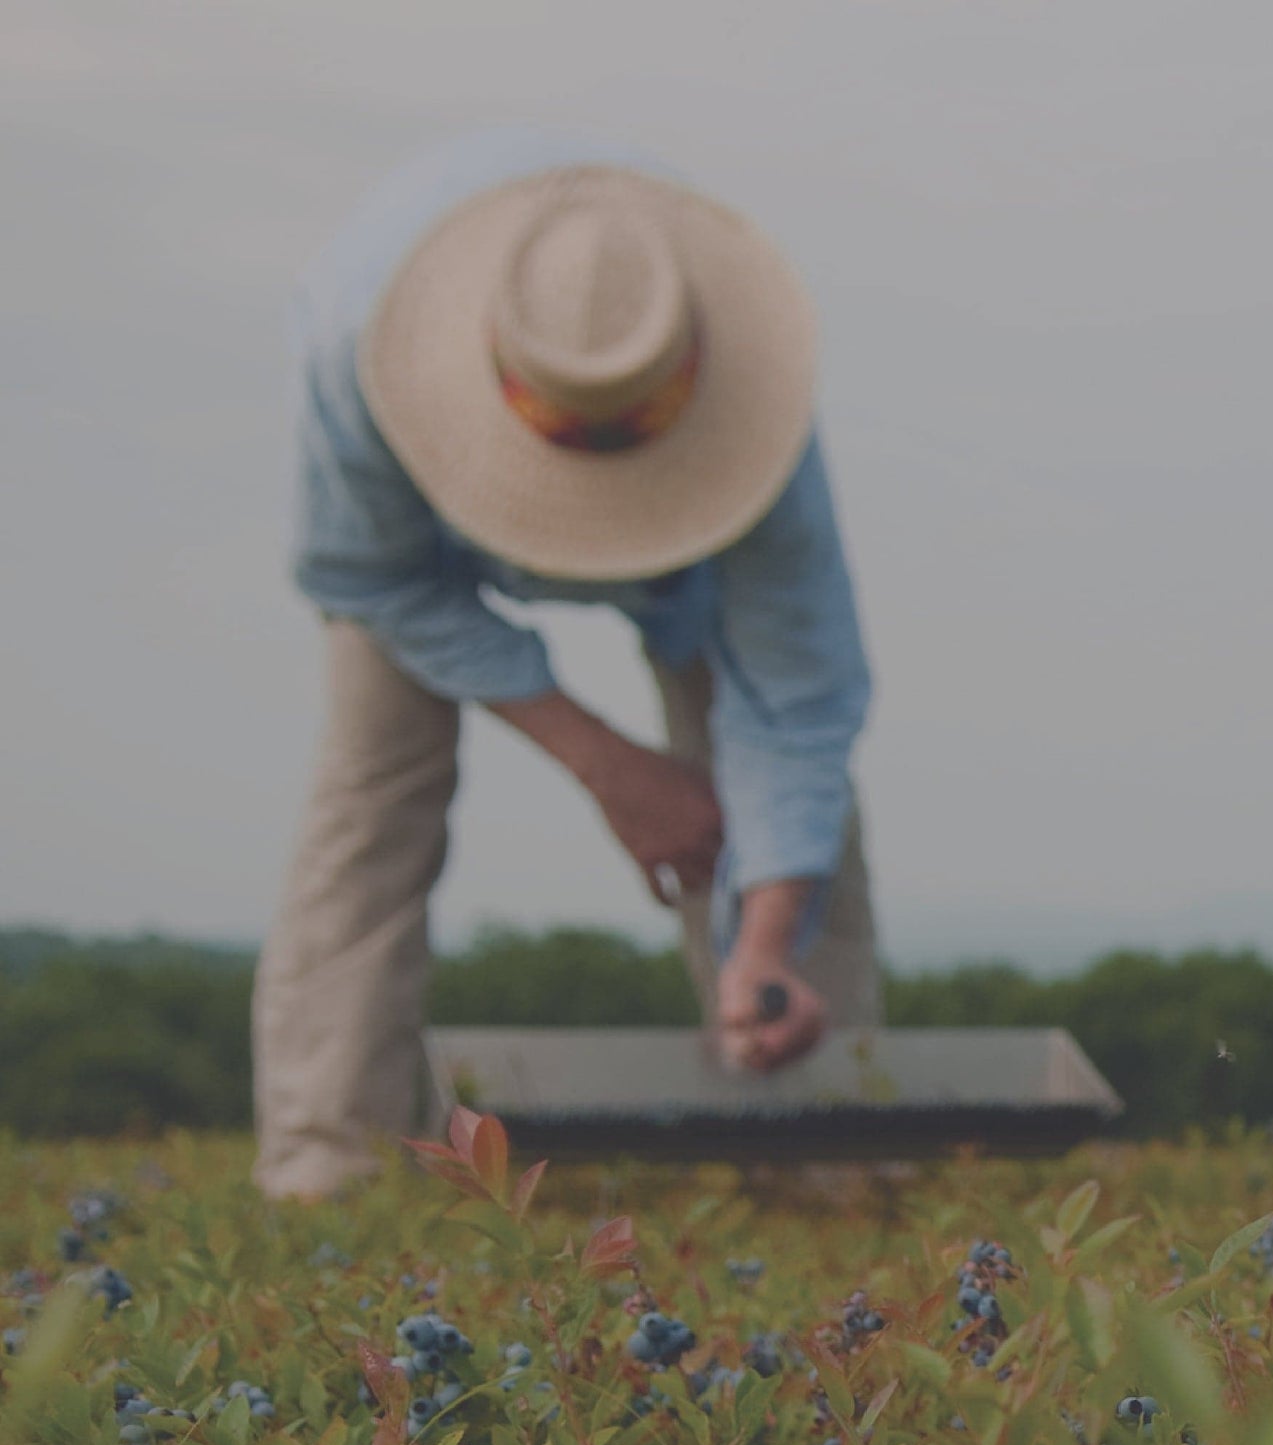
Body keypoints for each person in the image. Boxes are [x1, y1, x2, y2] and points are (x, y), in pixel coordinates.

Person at [255, 131, 880, 1199]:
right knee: (373, 793)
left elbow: (797, 705)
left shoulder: (757, 412)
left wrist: (765, 937)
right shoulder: (358, 349)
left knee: (795, 841)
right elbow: (367, 581)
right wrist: (611, 767)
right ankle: (333, 1169)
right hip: (416, 564)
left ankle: (821, 1158)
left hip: (699, 569)